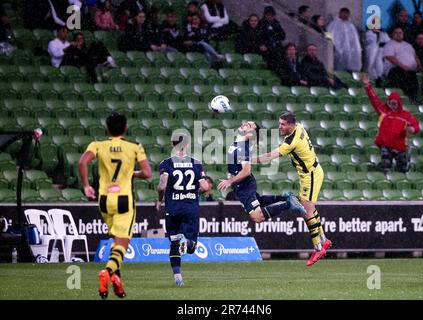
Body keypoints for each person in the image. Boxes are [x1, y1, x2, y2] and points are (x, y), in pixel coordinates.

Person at [78, 112, 152, 299]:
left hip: (104, 200)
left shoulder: (97, 145)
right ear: (126, 128)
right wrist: (132, 174)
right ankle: (108, 272)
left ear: (107, 128)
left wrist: (86, 186)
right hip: (124, 200)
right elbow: (148, 173)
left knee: (115, 242)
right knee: (122, 244)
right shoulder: (134, 147)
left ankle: (117, 282)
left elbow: (82, 162)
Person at [253, 112, 332, 267]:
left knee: (306, 212)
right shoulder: (300, 127)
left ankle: (318, 248)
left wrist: (250, 160)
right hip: (312, 173)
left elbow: (270, 156)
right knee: (310, 209)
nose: (280, 126)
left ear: (290, 124)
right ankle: (324, 240)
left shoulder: (291, 142)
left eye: (282, 124)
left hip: (310, 176)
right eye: (279, 123)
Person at [217, 121, 306, 223]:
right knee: (259, 201)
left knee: (258, 217)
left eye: (249, 125)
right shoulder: (238, 144)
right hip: (241, 185)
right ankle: (284, 196)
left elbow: (246, 171)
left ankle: (289, 204)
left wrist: (230, 181)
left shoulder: (242, 148)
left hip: (245, 185)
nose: (245, 124)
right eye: (246, 123)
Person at [156, 133, 210, 286]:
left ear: (172, 144)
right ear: (186, 145)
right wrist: (193, 192)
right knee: (191, 247)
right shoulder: (196, 163)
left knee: (173, 244)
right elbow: (205, 186)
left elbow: (162, 185)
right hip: (190, 208)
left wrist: (159, 200)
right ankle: (186, 241)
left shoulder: (166, 163)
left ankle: (178, 277)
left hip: (172, 208)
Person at [362, 74, 420, 173]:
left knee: (402, 169)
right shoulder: (383, 111)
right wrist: (368, 86)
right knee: (385, 166)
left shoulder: (405, 115)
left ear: (398, 104)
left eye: (394, 104)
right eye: (390, 103)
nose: (392, 106)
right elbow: (374, 100)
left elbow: (416, 125)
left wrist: (413, 129)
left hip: (400, 146)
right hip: (386, 145)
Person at [383, 27, 422, 102]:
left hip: (410, 71)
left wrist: (419, 66)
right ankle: (402, 100)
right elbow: (390, 58)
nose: (398, 34)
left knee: (414, 82)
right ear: (392, 34)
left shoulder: (408, 45)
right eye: (396, 33)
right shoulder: (389, 44)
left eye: (400, 33)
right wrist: (403, 67)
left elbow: (415, 56)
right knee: (401, 75)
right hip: (395, 70)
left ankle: (412, 100)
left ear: (403, 34)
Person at [327, 7, 362, 72]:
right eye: (344, 13)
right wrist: (330, 46)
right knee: (338, 68)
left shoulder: (351, 25)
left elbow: (355, 40)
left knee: (350, 68)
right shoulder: (333, 24)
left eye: (347, 14)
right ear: (340, 13)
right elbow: (328, 35)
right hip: (337, 51)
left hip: (350, 52)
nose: (345, 15)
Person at [258, 6, 286, 71]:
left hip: (276, 45)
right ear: (265, 15)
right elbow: (259, 36)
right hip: (266, 45)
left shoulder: (277, 24)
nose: (270, 17)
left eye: (272, 15)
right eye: (268, 15)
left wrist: (275, 34)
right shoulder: (261, 23)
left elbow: (282, 36)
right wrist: (261, 44)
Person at [365, 19, 391, 84]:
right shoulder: (369, 32)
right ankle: (373, 78)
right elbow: (370, 41)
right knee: (371, 63)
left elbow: (388, 42)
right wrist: (376, 35)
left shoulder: (383, 33)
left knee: (379, 63)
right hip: (372, 50)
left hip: (381, 51)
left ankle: (379, 78)